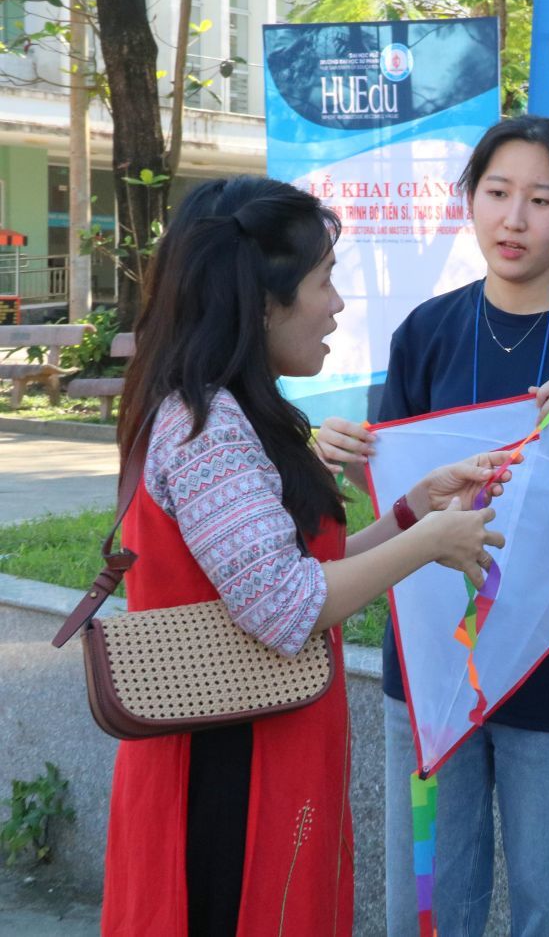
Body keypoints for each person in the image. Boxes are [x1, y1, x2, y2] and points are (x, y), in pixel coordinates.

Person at [102, 176, 506, 937]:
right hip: (226, 773)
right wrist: (426, 543)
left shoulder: (233, 408)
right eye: (324, 280)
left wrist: (414, 509)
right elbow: (288, 605)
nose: (338, 305)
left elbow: (286, 571)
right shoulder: (206, 425)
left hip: (260, 740)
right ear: (262, 300)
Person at [316, 115, 549, 936]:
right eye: (497, 193)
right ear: (469, 200)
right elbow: (393, 496)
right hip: (430, 662)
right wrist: (341, 451)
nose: (514, 218)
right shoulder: (425, 331)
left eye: (541, 198)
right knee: (428, 904)